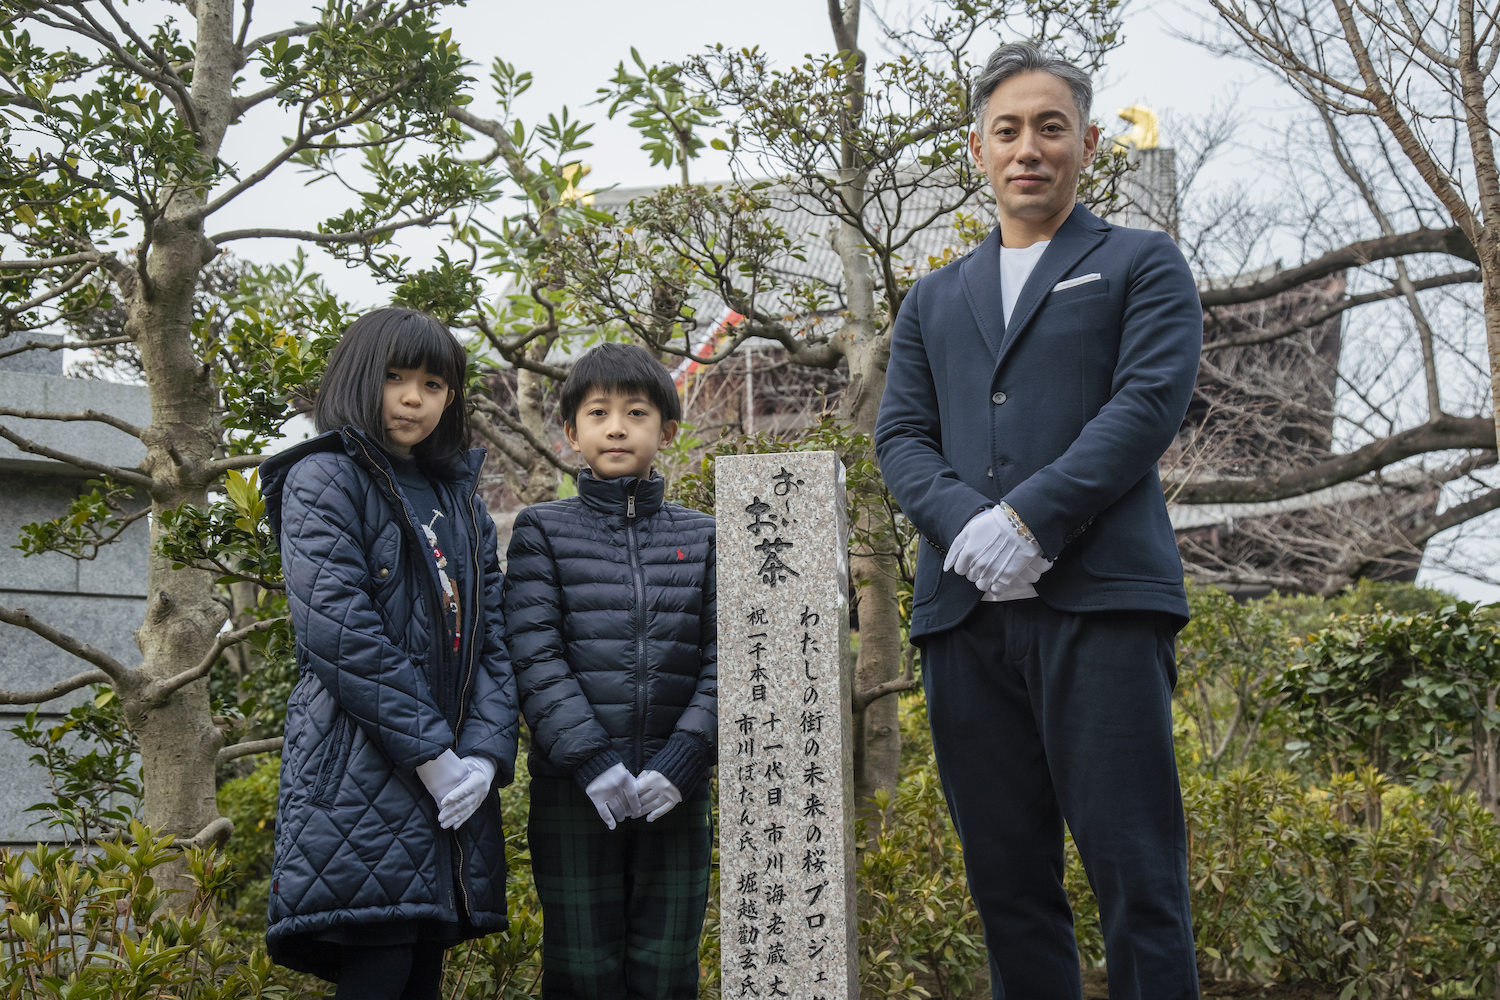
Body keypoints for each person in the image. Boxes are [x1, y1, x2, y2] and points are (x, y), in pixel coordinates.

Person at [873, 42, 1204, 1000]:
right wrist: (970, 529)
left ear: (1088, 143)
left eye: (1051, 127)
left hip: (1099, 600)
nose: (1029, 147)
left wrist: (1029, 521)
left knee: (1137, 873)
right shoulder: (933, 296)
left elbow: (1146, 405)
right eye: (1008, 129)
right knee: (1006, 881)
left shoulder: (1139, 262)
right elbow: (901, 436)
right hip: (963, 613)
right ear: (976, 148)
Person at [260, 307, 519, 999]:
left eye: (433, 384)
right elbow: (338, 630)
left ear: (452, 398)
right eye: (396, 376)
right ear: (357, 378)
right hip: (361, 769)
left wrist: (486, 758)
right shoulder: (324, 478)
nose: (413, 397)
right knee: (379, 961)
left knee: (421, 968)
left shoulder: (458, 497)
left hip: (454, 779)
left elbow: (495, 635)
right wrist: (433, 757)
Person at [503, 341, 717, 1000]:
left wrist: (686, 758)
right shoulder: (542, 530)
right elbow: (534, 654)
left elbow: (727, 655)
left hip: (674, 792)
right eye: (598, 413)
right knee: (582, 968)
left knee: (666, 966)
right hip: (574, 791)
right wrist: (591, 761)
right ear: (571, 432)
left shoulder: (705, 535)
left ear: (668, 431)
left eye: (636, 412)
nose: (617, 426)